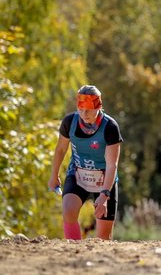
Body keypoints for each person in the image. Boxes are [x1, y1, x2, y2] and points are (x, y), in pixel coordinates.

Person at [47, 85, 123, 240]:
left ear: (98, 107)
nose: (84, 114)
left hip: (104, 179)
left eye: (88, 109)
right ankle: (74, 250)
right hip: (78, 172)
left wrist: (104, 195)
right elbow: (60, 150)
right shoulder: (70, 122)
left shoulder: (110, 127)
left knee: (103, 237)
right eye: (81, 109)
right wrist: (54, 175)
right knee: (68, 210)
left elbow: (111, 164)